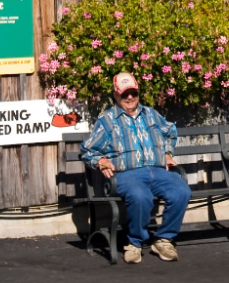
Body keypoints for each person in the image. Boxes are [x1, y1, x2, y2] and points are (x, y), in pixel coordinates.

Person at [80, 72, 189, 264]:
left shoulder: (151, 114)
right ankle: (135, 242)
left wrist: (168, 152)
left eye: (133, 93)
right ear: (116, 95)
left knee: (181, 191)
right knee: (141, 196)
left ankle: (164, 239)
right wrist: (100, 161)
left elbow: (170, 131)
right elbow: (87, 150)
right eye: (125, 94)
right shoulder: (107, 120)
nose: (130, 97)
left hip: (157, 170)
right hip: (127, 174)